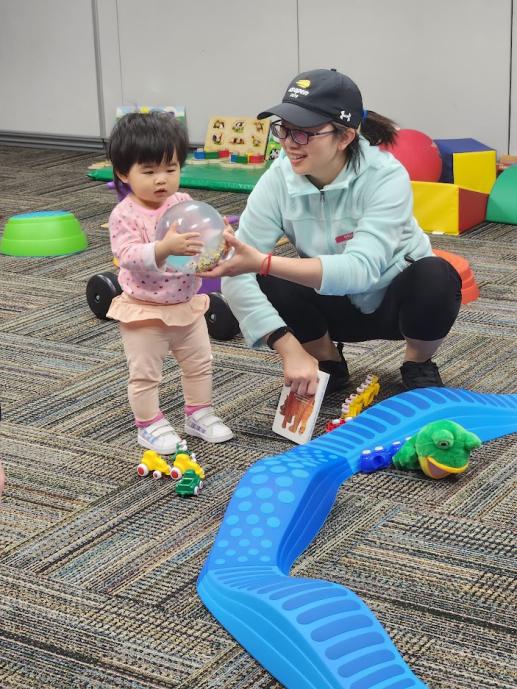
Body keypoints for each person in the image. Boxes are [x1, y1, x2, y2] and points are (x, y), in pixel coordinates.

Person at [201, 69, 462, 397]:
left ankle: (417, 363)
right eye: (283, 130)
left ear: (345, 136)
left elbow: (361, 271)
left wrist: (263, 262)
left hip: (394, 302)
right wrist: (289, 349)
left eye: (304, 133)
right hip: (331, 304)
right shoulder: (278, 179)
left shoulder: (386, 176)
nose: (289, 144)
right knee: (264, 275)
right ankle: (327, 361)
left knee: (438, 275)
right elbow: (235, 272)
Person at [107, 112, 233, 453]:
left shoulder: (182, 202)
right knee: (146, 373)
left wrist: (218, 239)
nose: (161, 180)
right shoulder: (125, 214)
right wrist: (164, 248)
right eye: (148, 172)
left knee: (200, 362)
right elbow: (128, 254)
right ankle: (148, 425)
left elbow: (202, 241)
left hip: (185, 305)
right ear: (123, 173)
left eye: (171, 168)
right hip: (144, 311)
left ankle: (198, 413)